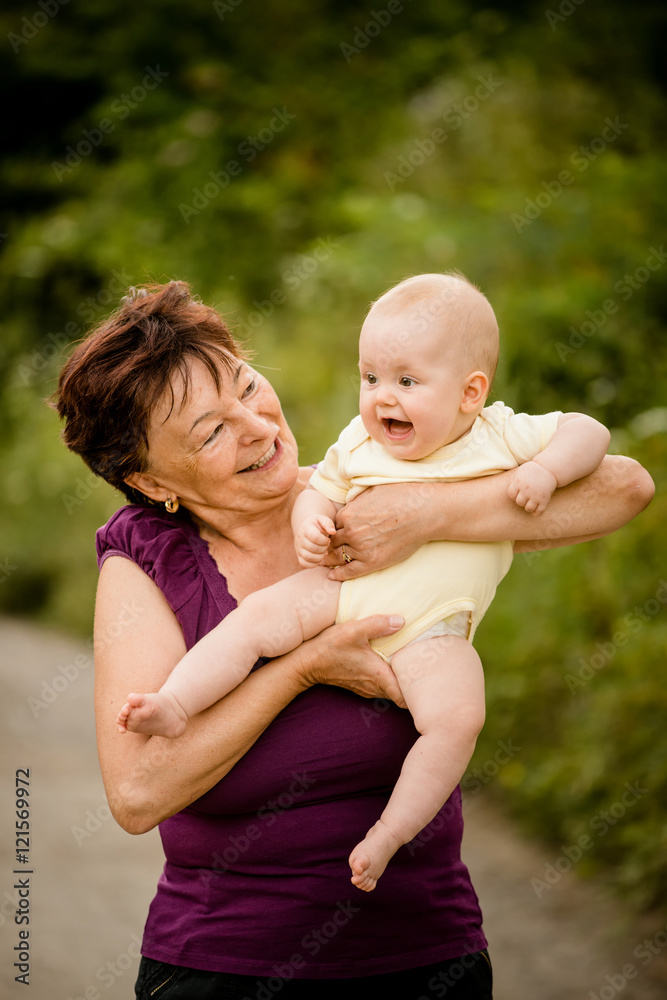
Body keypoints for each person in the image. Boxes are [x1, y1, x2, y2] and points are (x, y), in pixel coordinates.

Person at [54, 279, 652, 999]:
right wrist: (302, 668)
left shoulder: (375, 487)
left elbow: (619, 486)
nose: (255, 426)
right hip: (223, 968)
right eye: (211, 431)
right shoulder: (148, 558)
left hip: (426, 957)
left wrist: (423, 515)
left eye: (246, 386)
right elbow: (137, 793)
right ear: (151, 480)